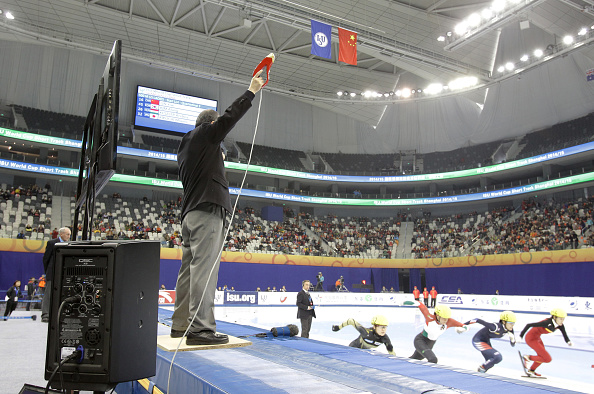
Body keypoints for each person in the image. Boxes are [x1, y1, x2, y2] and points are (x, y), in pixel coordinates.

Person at [170, 71, 265, 346]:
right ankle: (200, 329)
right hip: (207, 212)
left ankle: (180, 325)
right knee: (204, 269)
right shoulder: (206, 134)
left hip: (190, 214)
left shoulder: (186, 146)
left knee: (188, 270)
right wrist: (251, 91)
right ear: (209, 125)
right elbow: (227, 119)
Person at [519, 308, 573, 377]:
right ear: (554, 317)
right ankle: (527, 357)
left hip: (537, 338)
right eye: (560, 319)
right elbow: (529, 325)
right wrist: (520, 336)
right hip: (531, 338)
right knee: (547, 359)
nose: (562, 321)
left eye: (563, 319)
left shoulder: (560, 325)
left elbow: (565, 335)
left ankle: (531, 370)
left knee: (542, 356)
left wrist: (568, 342)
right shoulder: (547, 322)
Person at [41, 227, 71, 323]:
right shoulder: (52, 243)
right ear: (61, 234)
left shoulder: (70, 244)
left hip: (64, 273)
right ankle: (45, 314)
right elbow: (46, 259)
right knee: (49, 293)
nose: (69, 236)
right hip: (52, 272)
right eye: (67, 234)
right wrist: (48, 271)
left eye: (69, 234)